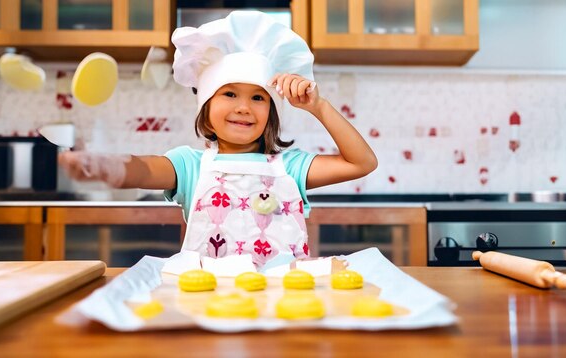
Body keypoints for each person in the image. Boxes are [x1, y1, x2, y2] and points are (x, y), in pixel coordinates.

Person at [59, 11, 377, 268]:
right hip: (209, 301)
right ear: (206, 106)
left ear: (272, 112)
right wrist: (102, 165)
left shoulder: (289, 168)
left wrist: (318, 106)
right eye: (229, 93)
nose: (243, 106)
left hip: (283, 303)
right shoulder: (190, 165)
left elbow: (361, 163)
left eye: (258, 97)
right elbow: (141, 170)